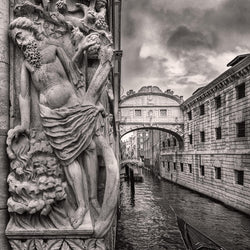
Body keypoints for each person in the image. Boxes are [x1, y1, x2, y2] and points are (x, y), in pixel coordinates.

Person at [8, 17, 103, 229]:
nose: (21, 43)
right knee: (68, 157)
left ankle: (94, 199)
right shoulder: (26, 64)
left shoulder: (53, 47)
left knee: (89, 147)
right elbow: (24, 95)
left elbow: (73, 70)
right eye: (17, 41)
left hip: (71, 103)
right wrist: (23, 124)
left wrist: (83, 48)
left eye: (21, 37)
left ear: (30, 30)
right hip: (49, 113)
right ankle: (81, 206)